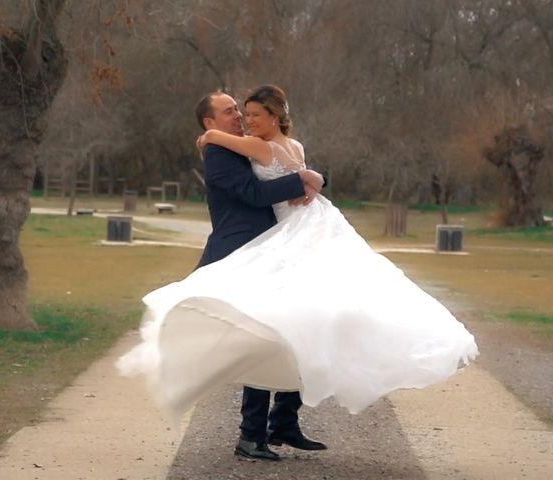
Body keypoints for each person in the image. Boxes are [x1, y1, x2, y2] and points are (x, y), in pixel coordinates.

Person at [117, 85, 478, 462]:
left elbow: (288, 168)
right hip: (247, 249)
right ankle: (251, 434)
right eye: (230, 112)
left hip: (290, 245)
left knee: (304, 325)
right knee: (260, 336)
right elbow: (254, 194)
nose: (240, 117)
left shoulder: (247, 141)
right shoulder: (220, 152)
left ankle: (284, 421)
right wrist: (304, 176)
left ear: (273, 115)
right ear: (209, 121)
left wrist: (311, 176)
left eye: (246, 112)